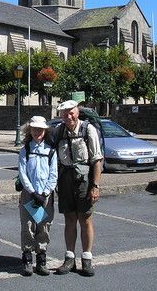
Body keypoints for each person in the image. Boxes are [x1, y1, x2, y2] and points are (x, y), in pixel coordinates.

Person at [53, 100, 103, 277]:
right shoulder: (59, 130)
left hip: (84, 180)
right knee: (69, 219)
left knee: (86, 219)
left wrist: (95, 186)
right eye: (64, 113)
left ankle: (87, 259)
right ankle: (69, 259)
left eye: (71, 112)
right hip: (65, 179)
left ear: (77, 112)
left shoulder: (88, 130)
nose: (68, 116)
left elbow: (97, 160)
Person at [18, 115, 58, 276]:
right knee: (27, 226)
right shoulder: (25, 150)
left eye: (40, 130)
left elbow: (53, 174)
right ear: (30, 130)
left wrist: (45, 192)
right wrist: (33, 192)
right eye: (34, 129)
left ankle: (41, 260)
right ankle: (27, 259)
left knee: (44, 226)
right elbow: (22, 173)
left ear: (45, 131)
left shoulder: (51, 151)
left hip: (45, 196)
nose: (37, 132)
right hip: (29, 195)